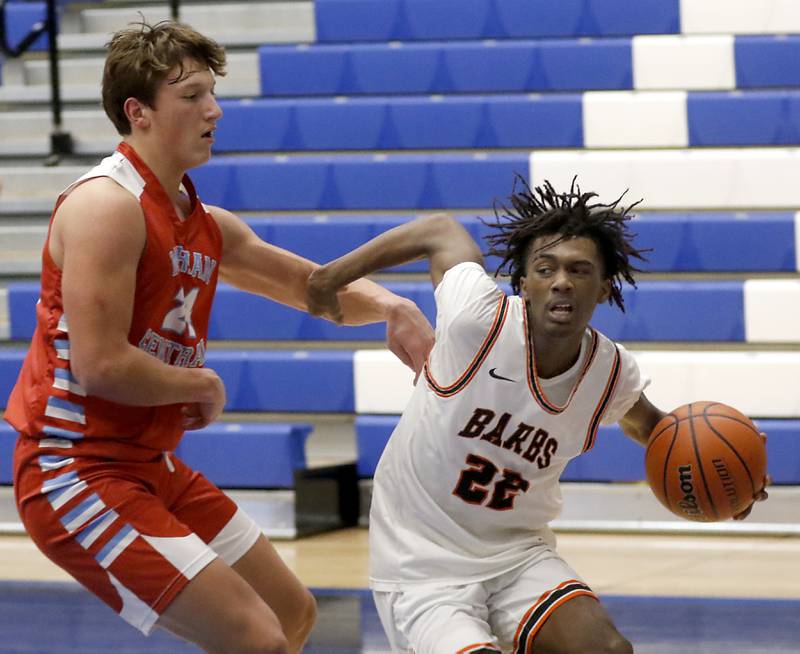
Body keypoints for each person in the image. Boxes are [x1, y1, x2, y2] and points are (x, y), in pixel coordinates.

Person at [4, 20, 433, 654]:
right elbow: (98, 366)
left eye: (213, 93)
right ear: (138, 112)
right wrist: (197, 382)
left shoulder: (204, 221)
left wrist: (394, 306)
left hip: (148, 464)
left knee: (291, 613)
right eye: (192, 96)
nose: (215, 109)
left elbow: (311, 286)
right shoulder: (105, 208)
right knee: (255, 636)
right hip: (75, 470)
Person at [306, 178, 769, 654]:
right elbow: (439, 230)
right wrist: (330, 277)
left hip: (518, 555)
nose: (561, 281)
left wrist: (735, 477)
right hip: (423, 562)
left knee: (608, 650)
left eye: (579, 269)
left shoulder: (608, 372)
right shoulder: (478, 321)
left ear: (605, 288)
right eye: (545, 269)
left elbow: (660, 432)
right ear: (524, 284)